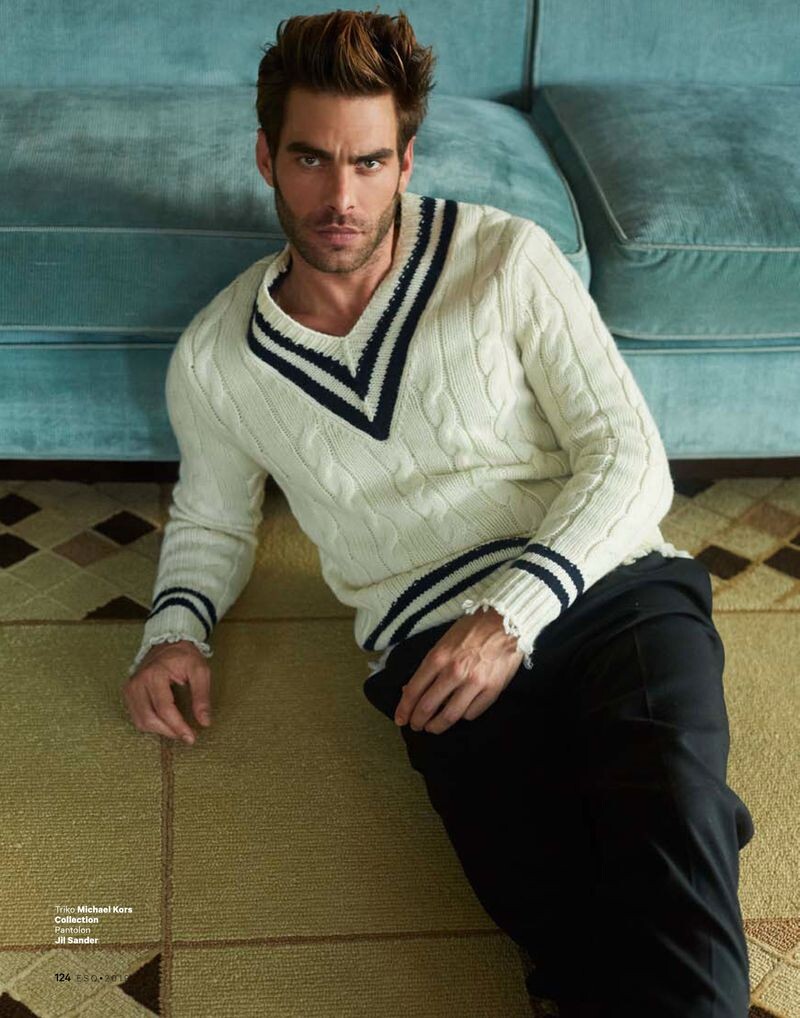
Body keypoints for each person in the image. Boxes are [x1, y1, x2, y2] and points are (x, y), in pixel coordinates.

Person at [121, 9, 755, 1016]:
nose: (341, 197)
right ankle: (677, 829)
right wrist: (173, 632)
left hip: (609, 592)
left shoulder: (507, 258)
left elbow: (630, 461)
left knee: (672, 856)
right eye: (311, 159)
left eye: (369, 162)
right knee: (560, 925)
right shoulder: (217, 358)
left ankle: (683, 813)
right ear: (266, 156)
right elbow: (212, 523)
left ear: (406, 160)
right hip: (429, 660)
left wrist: (507, 614)